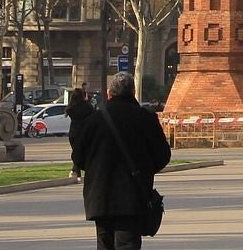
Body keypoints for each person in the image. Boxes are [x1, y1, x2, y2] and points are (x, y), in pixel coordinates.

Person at [70, 72, 170, 250]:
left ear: (109, 94)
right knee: (127, 244)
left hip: (100, 196)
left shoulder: (93, 121)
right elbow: (163, 155)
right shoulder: (146, 118)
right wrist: (144, 169)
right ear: (133, 92)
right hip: (132, 195)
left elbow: (78, 157)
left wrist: (95, 169)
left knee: (104, 244)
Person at [65, 89, 96, 180]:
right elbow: (93, 114)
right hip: (85, 132)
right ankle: (78, 172)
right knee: (86, 153)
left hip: (74, 133)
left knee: (76, 153)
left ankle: (76, 173)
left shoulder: (71, 107)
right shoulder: (87, 106)